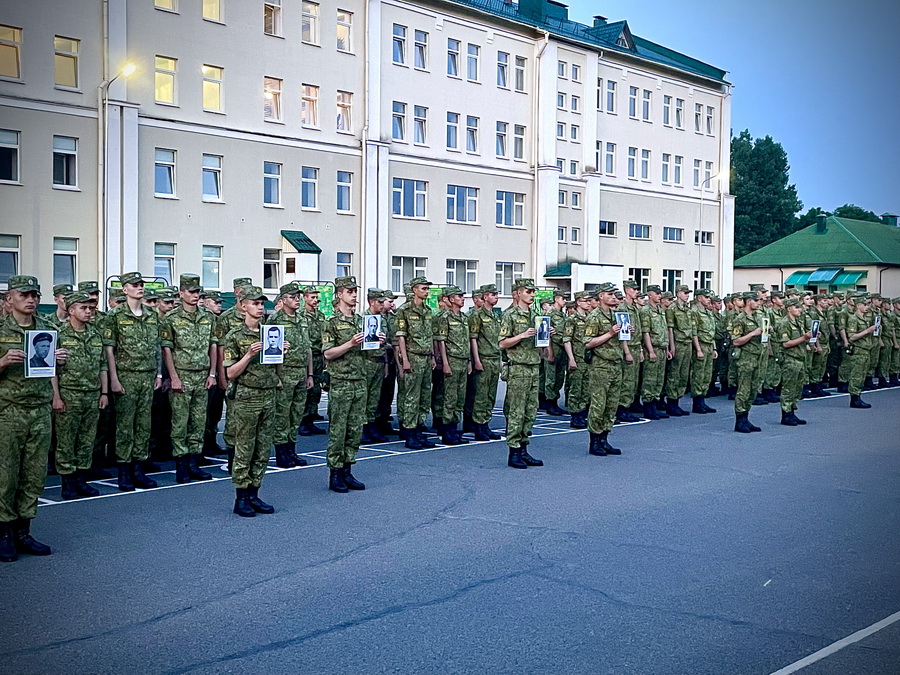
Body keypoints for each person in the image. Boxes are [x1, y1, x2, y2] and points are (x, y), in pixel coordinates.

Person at [0, 276, 69, 562]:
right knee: (6, 475)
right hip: (8, 410)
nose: (31, 300)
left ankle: (23, 531)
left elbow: (56, 373)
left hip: (39, 410)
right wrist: (3, 361)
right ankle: (4, 533)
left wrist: (61, 361)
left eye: (35, 295)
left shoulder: (48, 329)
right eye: (24, 295)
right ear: (10, 300)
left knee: (34, 474)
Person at [222, 286, 283, 516]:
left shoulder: (270, 331)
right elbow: (230, 372)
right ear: (243, 305)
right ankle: (241, 496)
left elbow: (275, 367)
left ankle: (255, 492)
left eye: (261, 303)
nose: (259, 307)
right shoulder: (234, 336)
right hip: (247, 396)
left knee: (262, 448)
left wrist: (280, 352)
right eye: (255, 303)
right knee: (244, 447)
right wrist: (248, 354)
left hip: (268, 394)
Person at [102, 272, 160, 491]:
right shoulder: (115, 315)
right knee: (125, 426)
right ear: (124, 289)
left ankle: (138, 468)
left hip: (147, 375)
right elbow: (109, 349)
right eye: (134, 285)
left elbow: (156, 346)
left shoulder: (151, 315)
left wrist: (158, 374)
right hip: (126, 375)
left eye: (141, 284)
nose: (139, 288)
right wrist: (114, 379)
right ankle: (124, 470)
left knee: (144, 425)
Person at [159, 274, 217, 483]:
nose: (195, 295)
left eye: (197, 292)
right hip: (182, 375)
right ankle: (181, 465)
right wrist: (173, 377)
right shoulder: (171, 318)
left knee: (199, 421)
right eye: (191, 292)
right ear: (181, 293)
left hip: (202, 375)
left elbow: (213, 345)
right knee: (180, 422)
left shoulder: (208, 317)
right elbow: (167, 350)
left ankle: (194, 462)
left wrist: (212, 373)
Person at [323, 276, 377, 492]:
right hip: (341, 381)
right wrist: (350, 343)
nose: (354, 295)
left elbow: (367, 353)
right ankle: (335, 472)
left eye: (355, 291)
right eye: (349, 291)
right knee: (339, 429)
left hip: (359, 379)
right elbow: (328, 353)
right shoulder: (331, 322)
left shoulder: (359, 320)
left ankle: (348, 469)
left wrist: (374, 341)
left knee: (355, 428)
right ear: (339, 295)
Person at [53, 291, 106, 499]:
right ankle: (68, 482)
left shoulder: (95, 334)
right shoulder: (59, 334)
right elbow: (51, 370)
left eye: (90, 308)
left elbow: (102, 365)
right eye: (83, 308)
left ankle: (82, 479)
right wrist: (56, 396)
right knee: (66, 440)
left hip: (92, 394)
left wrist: (104, 392)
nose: (88, 311)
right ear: (71, 310)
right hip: (69, 393)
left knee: (87, 439)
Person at [498, 278, 545, 469]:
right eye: (528, 291)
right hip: (518, 367)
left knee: (530, 411)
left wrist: (546, 333)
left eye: (534, 291)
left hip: (533, 366)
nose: (532, 295)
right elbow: (502, 343)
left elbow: (541, 342)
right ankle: (514, 451)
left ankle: (524, 448)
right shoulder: (510, 315)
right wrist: (522, 335)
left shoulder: (536, 314)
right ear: (518, 293)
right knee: (516, 411)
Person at [268, 282, 314, 467]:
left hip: (300, 372)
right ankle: (281, 452)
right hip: (284, 373)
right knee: (282, 415)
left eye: (298, 297)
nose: (297, 300)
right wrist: (275, 376)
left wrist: (309, 373)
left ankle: (291, 450)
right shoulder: (275, 319)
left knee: (296, 414)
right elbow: (270, 352)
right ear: (283, 299)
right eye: (293, 297)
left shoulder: (303, 319)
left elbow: (308, 347)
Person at [582, 283, 625, 456]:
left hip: (615, 364)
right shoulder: (594, 317)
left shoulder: (615, 315)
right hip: (601, 365)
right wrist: (610, 333)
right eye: (609, 294)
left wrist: (625, 332)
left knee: (611, 404)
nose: (613, 297)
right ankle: (594, 441)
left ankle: (605, 438)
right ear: (600, 296)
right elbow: (588, 342)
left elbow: (620, 340)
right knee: (599, 404)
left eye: (614, 294)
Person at [395, 276, 437, 450]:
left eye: (427, 289)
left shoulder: (428, 311)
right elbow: (401, 337)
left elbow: (430, 336)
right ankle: (410, 432)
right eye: (423, 288)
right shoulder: (404, 310)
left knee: (425, 396)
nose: (426, 291)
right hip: (412, 356)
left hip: (426, 357)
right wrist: (404, 359)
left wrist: (433, 356)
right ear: (414, 290)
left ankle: (420, 430)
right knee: (411, 396)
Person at [434, 286, 471, 445]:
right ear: (450, 299)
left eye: (462, 296)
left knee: (460, 397)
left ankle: (455, 428)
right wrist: (445, 363)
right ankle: (447, 430)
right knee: (450, 397)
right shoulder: (445, 317)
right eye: (458, 296)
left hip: (463, 360)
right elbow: (441, 342)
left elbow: (467, 340)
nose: (462, 299)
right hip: (452, 359)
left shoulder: (463, 317)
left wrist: (469, 360)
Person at [468, 284, 503, 441]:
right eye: (492, 294)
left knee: (491, 394)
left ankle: (486, 423)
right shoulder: (477, 315)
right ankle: (478, 426)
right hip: (483, 357)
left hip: (495, 358)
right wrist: (476, 360)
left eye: (496, 294)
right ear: (484, 297)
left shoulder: (495, 315)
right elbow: (473, 338)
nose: (496, 297)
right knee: (481, 395)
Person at [731, 292, 767, 432]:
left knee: (753, 390)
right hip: (746, 358)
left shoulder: (758, 317)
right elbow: (736, 340)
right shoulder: (740, 319)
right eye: (756, 301)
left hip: (758, 356)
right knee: (743, 390)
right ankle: (739, 420)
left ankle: (746, 417)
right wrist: (753, 333)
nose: (759, 303)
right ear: (749, 301)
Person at [775, 297, 813, 426]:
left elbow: (801, 341)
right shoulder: (784, 323)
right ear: (789, 309)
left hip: (800, 358)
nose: (800, 310)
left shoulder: (797, 322)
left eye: (800, 307)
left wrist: (810, 338)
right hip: (790, 359)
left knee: (797, 388)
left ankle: (792, 412)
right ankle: (786, 414)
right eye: (797, 307)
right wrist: (804, 337)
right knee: (788, 388)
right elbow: (786, 343)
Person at [361, 289, 388, 443]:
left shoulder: (381, 320)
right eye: (379, 301)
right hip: (367, 361)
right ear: (371, 302)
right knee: (364, 397)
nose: (382, 304)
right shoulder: (362, 318)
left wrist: (385, 363)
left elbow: (384, 344)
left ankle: (372, 426)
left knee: (374, 398)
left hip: (378, 360)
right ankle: (363, 428)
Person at [299, 286, 327, 436]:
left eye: (317, 298)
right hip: (307, 356)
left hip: (319, 356)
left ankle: (310, 419)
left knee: (316, 390)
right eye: (312, 297)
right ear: (305, 298)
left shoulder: (321, 316)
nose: (315, 300)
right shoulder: (301, 316)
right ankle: (302, 421)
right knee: (306, 390)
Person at [562, 291, 591, 428]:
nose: (588, 303)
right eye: (586, 301)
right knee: (576, 388)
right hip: (577, 358)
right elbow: (567, 340)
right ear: (578, 302)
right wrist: (571, 359)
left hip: (588, 359)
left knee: (586, 388)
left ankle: (582, 414)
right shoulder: (572, 319)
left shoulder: (590, 318)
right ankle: (575, 416)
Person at [640, 285, 669, 420]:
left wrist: (667, 348)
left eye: (660, 293)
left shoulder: (660, 310)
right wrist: (650, 351)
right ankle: (648, 407)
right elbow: (645, 332)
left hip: (662, 348)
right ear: (650, 295)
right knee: (650, 379)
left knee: (659, 379)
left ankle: (655, 404)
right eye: (657, 293)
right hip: (653, 348)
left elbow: (664, 330)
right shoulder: (646, 311)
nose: (659, 296)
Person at [664, 284, 694, 416]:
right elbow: (670, 328)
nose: (687, 295)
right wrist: (672, 346)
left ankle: (678, 400)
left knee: (683, 374)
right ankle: (672, 402)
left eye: (688, 293)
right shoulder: (672, 308)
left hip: (687, 342)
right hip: (678, 342)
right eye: (685, 293)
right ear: (678, 293)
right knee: (674, 374)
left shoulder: (687, 309)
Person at [845, 294, 877, 408]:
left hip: (866, 350)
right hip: (858, 350)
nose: (867, 307)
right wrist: (868, 330)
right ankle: (854, 398)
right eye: (864, 304)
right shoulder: (854, 319)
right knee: (856, 375)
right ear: (858, 305)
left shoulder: (865, 318)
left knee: (862, 374)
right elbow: (852, 336)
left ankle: (858, 395)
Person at [689, 289, 718, 414]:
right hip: (700, 345)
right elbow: (694, 332)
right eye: (706, 297)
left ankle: (703, 400)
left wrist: (714, 347)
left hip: (709, 345)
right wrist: (698, 349)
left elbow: (712, 332)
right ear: (699, 298)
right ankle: (697, 402)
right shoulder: (694, 312)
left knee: (707, 374)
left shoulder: (708, 312)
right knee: (698, 374)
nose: (708, 300)